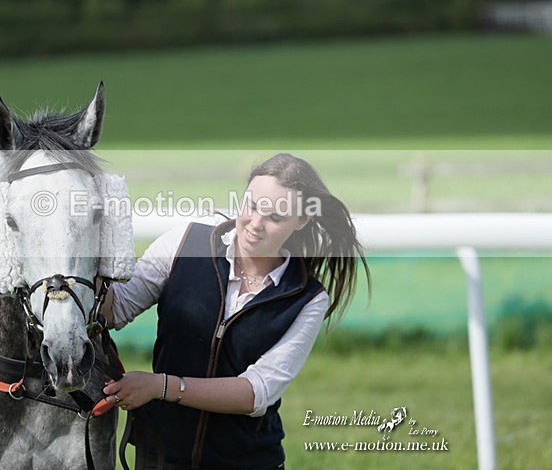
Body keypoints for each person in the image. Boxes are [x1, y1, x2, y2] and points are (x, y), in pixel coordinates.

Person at [101, 153, 370, 469]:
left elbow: (255, 393)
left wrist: (159, 386)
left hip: (248, 461)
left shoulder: (308, 298)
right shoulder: (184, 242)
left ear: (302, 221)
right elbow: (112, 310)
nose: (256, 224)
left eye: (275, 217)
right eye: (252, 206)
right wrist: (99, 249)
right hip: (160, 456)